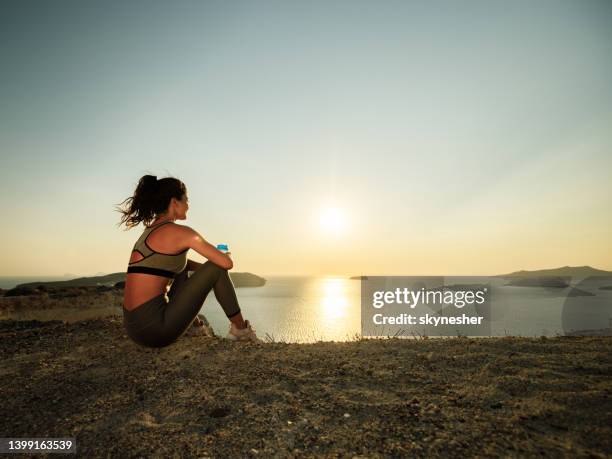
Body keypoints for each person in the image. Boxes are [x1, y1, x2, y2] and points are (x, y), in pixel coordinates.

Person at [116, 174, 259, 348]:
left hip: (134, 327)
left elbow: (178, 264)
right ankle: (240, 330)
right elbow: (226, 264)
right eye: (186, 200)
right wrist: (222, 260)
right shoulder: (182, 233)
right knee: (218, 266)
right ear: (174, 202)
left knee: (188, 268)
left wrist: (207, 275)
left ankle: (196, 328)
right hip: (155, 330)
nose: (188, 205)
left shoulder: (149, 232)